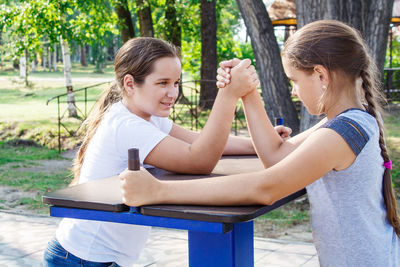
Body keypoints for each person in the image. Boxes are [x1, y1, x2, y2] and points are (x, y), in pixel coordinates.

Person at [120, 20, 400, 266]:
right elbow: (277, 157)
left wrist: (158, 191)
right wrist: (247, 91)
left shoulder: (344, 132)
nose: (293, 90)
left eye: (294, 80)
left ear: (321, 76)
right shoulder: (343, 122)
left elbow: (267, 187)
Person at [43, 37, 290, 267]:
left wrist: (261, 141)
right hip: (81, 258)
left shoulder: (146, 117)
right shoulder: (127, 126)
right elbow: (200, 159)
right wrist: (228, 94)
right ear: (130, 83)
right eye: (162, 83)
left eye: (176, 83)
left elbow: (200, 141)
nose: (173, 93)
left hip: (101, 257)